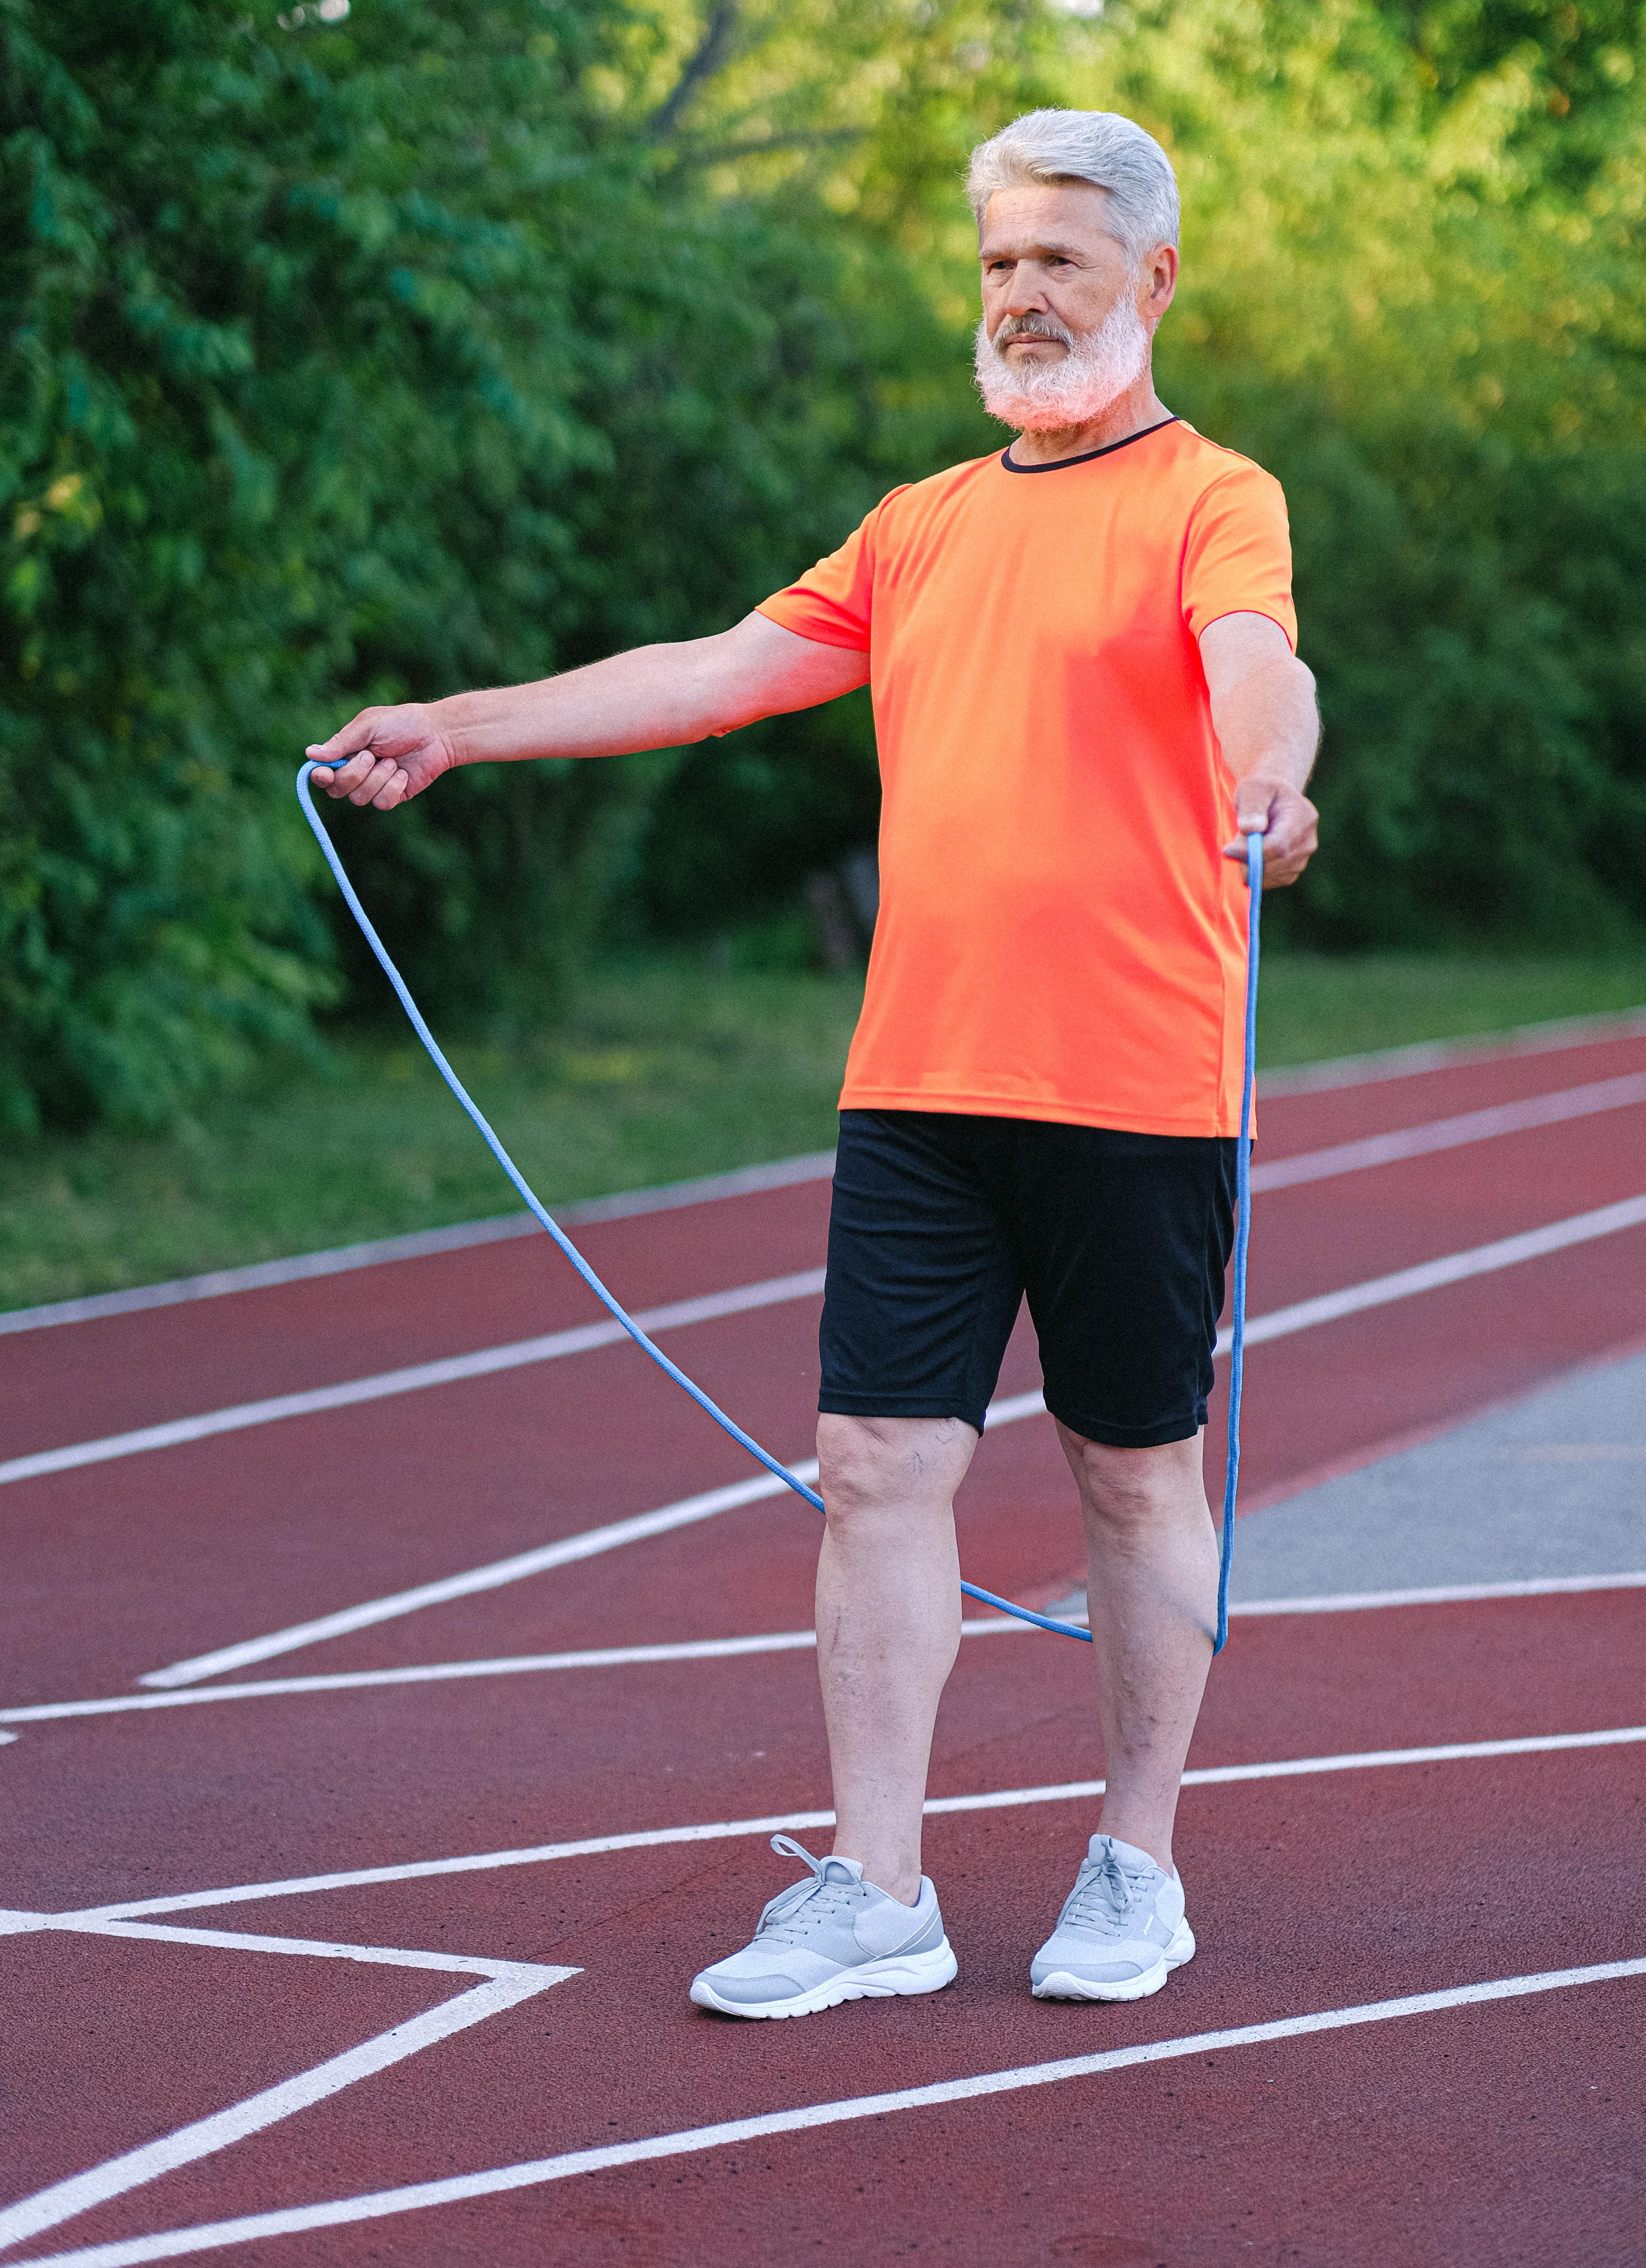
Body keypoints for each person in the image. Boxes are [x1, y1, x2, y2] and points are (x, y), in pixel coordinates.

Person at [308, 107, 1320, 2022]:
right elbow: (706, 672)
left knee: (1131, 1478)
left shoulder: (1215, 494)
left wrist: (1274, 769)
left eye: (1063, 265)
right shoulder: (920, 525)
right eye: (1003, 264)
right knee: (872, 1467)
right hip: (922, 1088)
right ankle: (879, 1888)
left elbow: (1260, 656)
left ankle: (1138, 1864)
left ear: (1153, 280)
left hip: (1138, 1085)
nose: (1024, 298)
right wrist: (458, 724)